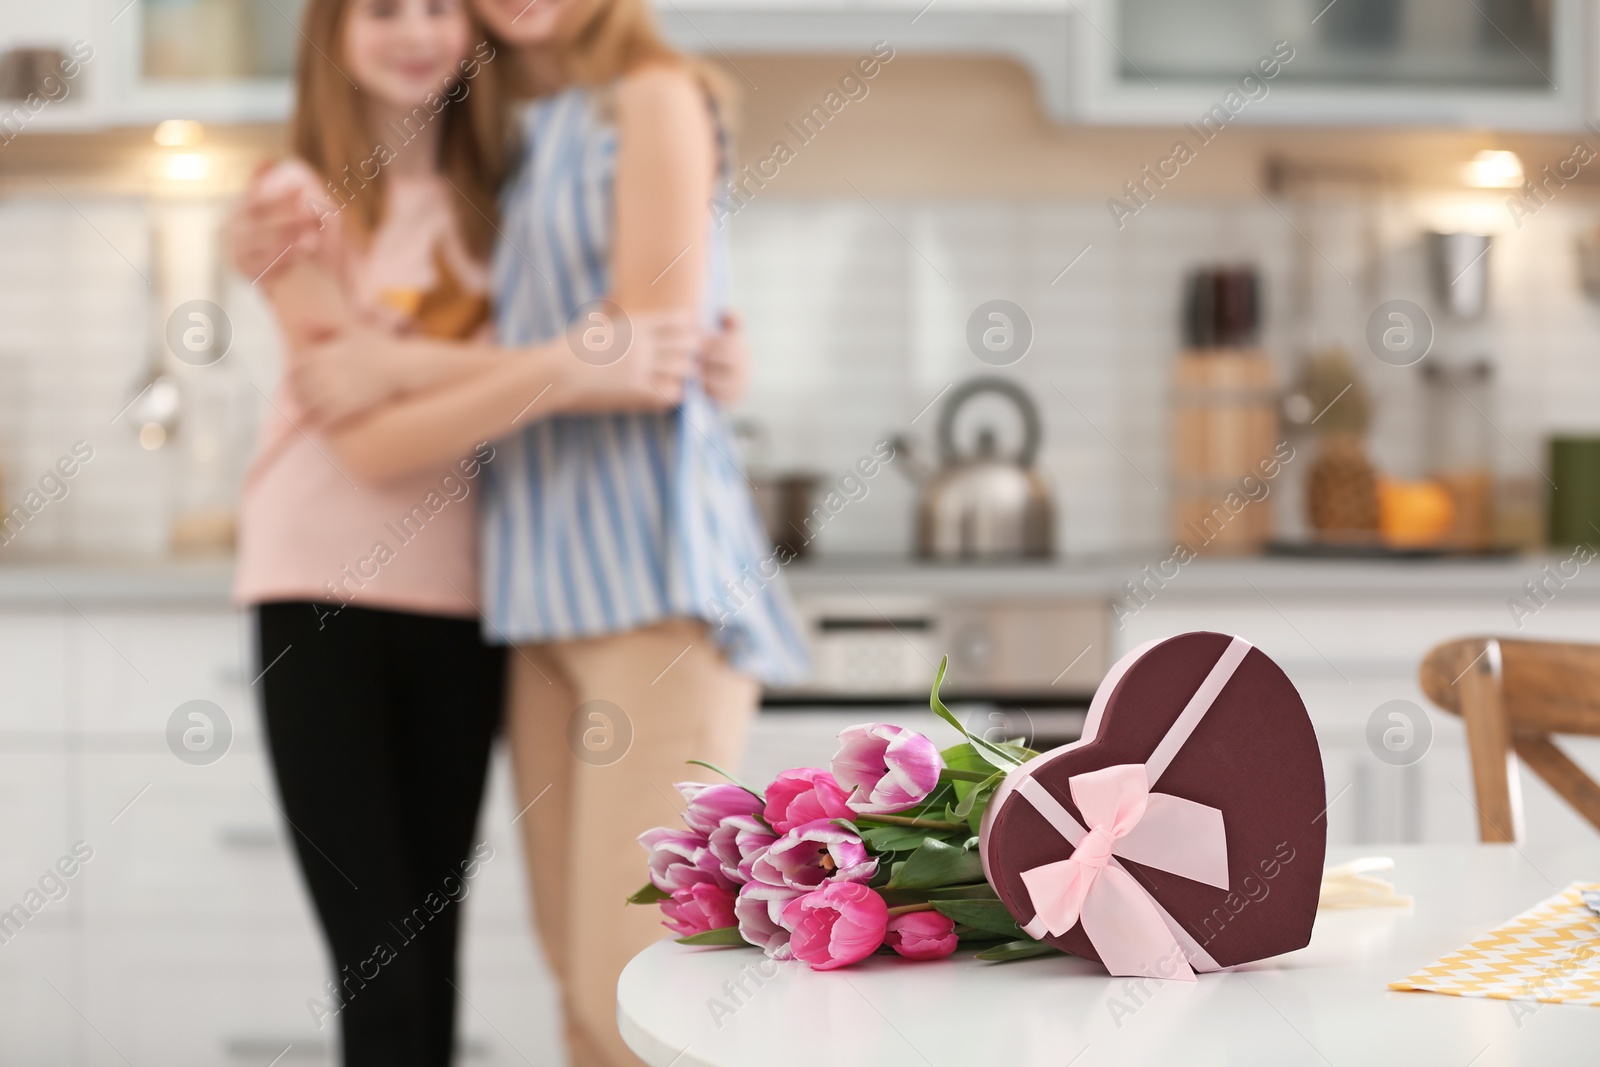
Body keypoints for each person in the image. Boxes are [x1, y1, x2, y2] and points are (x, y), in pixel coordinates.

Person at [232, 1, 809, 1063]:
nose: (416, 30)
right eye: (382, 8)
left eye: (431, 5)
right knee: (534, 978)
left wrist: (407, 360)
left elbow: (650, 339)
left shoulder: (570, 140)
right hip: (457, 595)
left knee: (610, 980)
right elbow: (391, 430)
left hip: (578, 592)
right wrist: (590, 360)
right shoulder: (389, 181)